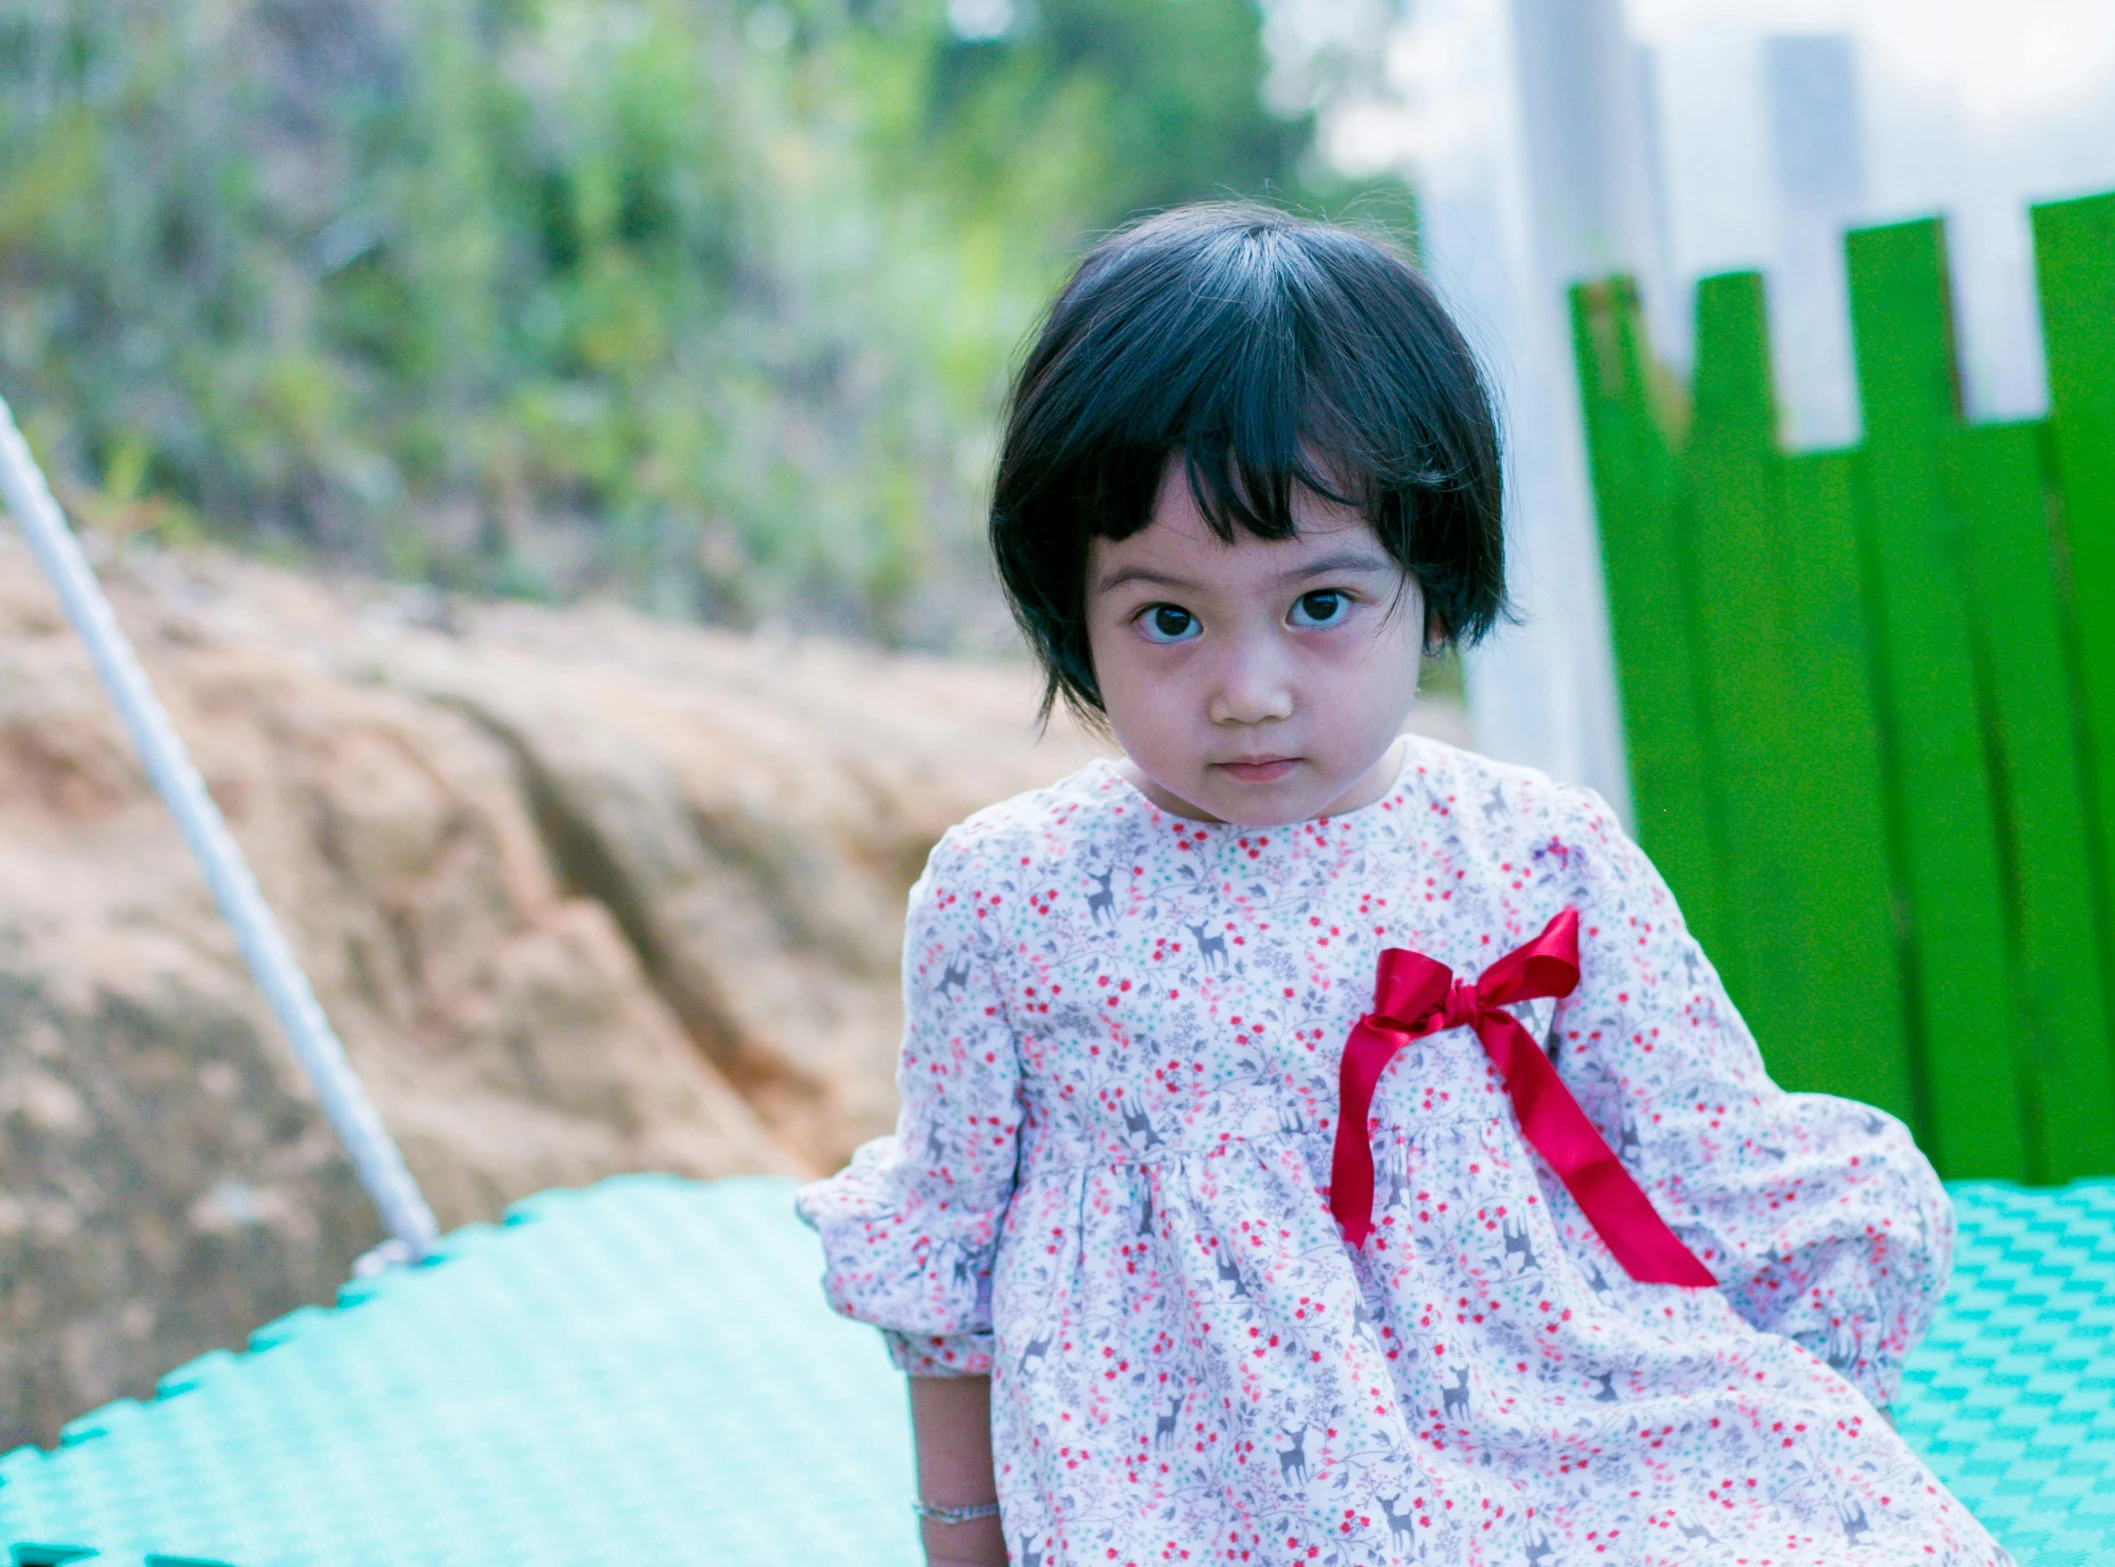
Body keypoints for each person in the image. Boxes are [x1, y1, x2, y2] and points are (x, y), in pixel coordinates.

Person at [798, 204, 2006, 1567]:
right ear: (1068, 608)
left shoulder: (1529, 850)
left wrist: (1796, 1377)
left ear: (1428, 582)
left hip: (1555, 1410)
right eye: (1166, 617)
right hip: (1210, 1497)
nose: (1246, 692)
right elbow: (945, 1267)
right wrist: (962, 1538)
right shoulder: (1011, 898)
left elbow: (1695, 1141)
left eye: (1319, 604)